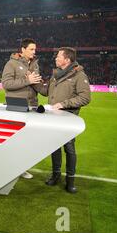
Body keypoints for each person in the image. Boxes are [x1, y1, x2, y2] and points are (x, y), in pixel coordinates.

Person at [43, 47, 91, 193]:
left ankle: (70, 180)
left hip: (68, 118)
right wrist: (32, 81)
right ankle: (55, 175)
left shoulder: (79, 75)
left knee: (69, 149)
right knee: (54, 147)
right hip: (53, 118)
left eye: (58, 56)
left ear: (67, 60)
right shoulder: (55, 75)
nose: (56, 58)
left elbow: (85, 98)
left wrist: (63, 104)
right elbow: (46, 92)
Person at [1, 38, 44, 179]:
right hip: (17, 106)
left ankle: (21, 168)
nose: (34, 51)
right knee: (15, 141)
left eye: (35, 49)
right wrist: (28, 80)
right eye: (31, 49)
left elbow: (36, 83)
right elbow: (6, 84)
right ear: (23, 50)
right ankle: (10, 168)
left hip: (32, 105)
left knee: (28, 141)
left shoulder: (35, 65)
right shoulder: (11, 63)